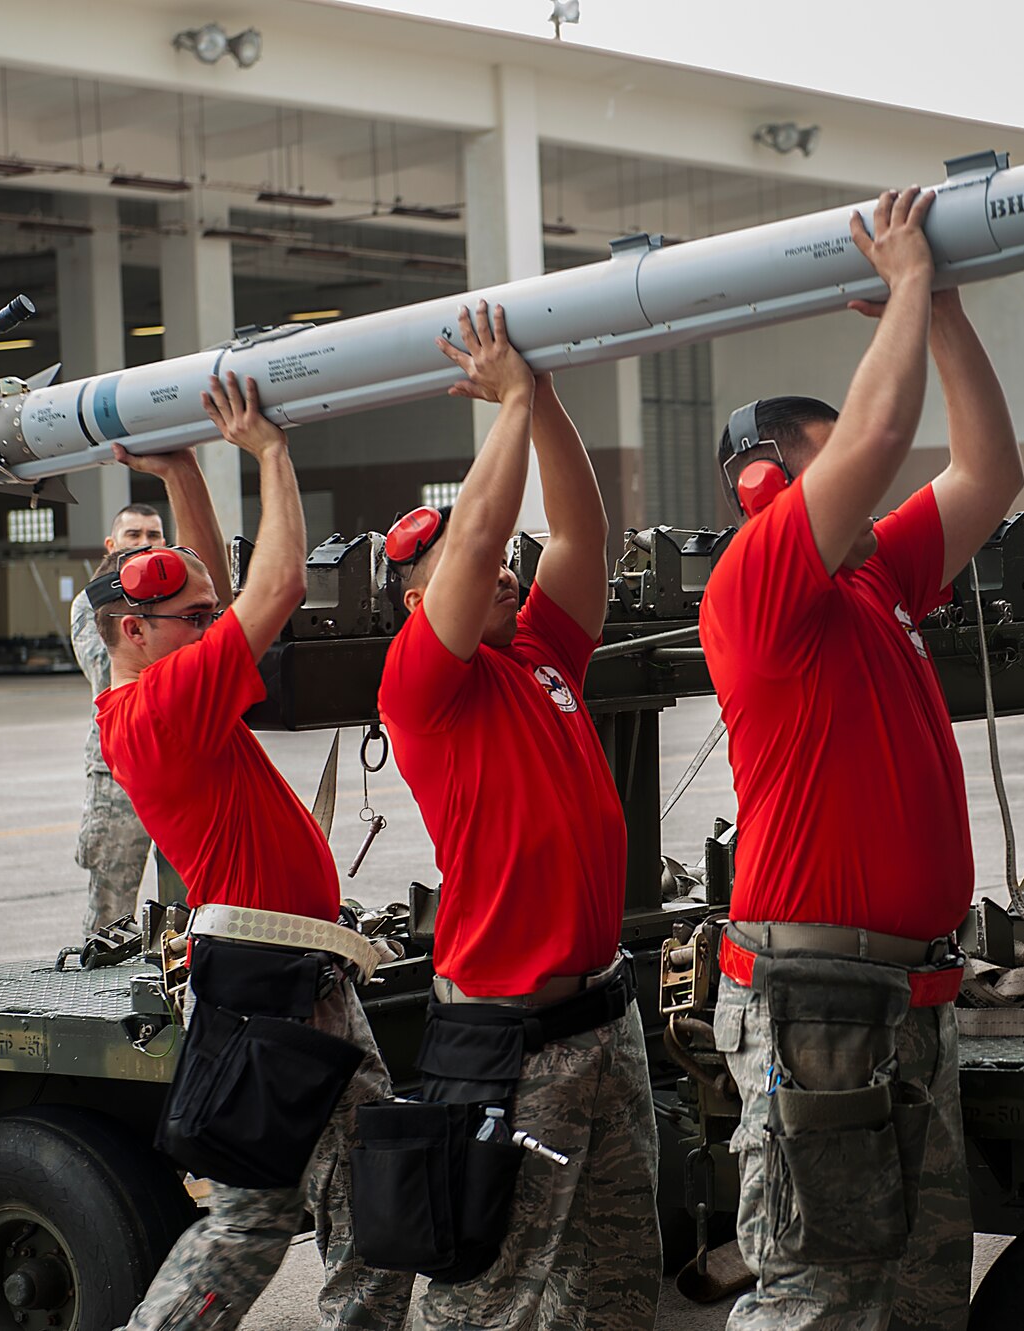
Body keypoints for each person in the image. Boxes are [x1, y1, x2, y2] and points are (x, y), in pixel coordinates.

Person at [698, 186, 1024, 1330]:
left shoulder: (869, 580)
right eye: (828, 457)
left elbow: (988, 474)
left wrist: (940, 313)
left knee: (919, 1286)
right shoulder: (757, 582)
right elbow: (886, 433)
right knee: (816, 1293)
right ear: (767, 483)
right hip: (817, 998)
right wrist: (901, 285)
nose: (865, 470)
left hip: (908, 995)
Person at [95, 374, 411, 1331]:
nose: (209, 627)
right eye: (188, 622)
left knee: (339, 1200)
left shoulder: (169, 684)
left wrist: (185, 468)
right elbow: (271, 591)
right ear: (130, 632)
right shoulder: (159, 709)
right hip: (270, 984)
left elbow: (228, 595)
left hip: (291, 977)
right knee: (264, 1223)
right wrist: (268, 450)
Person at [378, 303, 660, 1330]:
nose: (499, 567)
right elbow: (484, 535)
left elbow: (582, 531)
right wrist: (499, 405)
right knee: (486, 1290)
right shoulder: (421, 684)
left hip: (600, 1019)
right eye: (462, 565)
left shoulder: (539, 653)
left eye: (497, 557)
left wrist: (537, 398)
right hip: (510, 1040)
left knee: (618, 1275)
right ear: (417, 608)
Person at [71, 494, 205, 935]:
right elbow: (108, 669)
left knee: (187, 905)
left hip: (179, 768)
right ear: (112, 542)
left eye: (153, 536)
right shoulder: (95, 604)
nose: (143, 543)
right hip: (118, 774)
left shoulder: (177, 604)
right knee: (112, 911)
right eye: (133, 535)